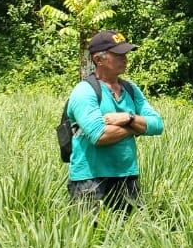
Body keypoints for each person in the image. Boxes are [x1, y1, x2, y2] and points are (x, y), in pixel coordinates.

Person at [64, 30, 163, 210]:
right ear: (98, 59)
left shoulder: (131, 89)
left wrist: (128, 118)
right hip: (89, 180)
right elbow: (100, 136)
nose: (124, 58)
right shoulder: (84, 92)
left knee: (130, 234)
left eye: (125, 54)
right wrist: (137, 127)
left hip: (127, 176)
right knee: (91, 236)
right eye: (117, 54)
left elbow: (157, 124)